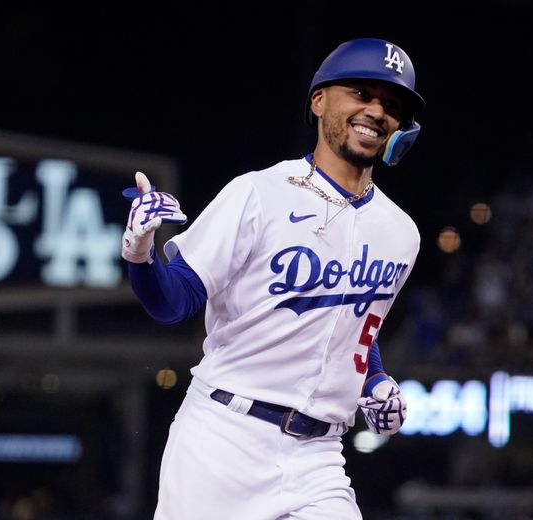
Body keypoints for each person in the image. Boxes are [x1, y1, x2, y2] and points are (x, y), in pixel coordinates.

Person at [121, 37, 425, 520]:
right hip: (222, 442)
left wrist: (376, 381)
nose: (377, 111)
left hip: (319, 457)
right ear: (318, 100)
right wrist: (140, 252)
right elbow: (172, 303)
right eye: (362, 94)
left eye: (392, 104)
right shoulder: (258, 194)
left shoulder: (401, 233)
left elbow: (353, 329)